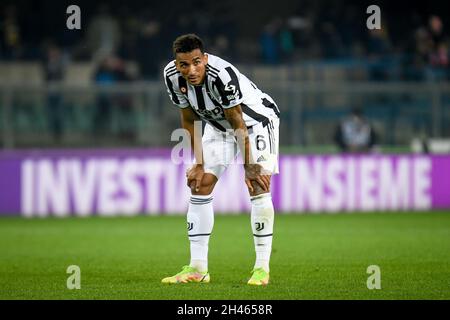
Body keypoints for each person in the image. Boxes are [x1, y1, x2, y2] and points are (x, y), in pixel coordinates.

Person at [161, 34, 280, 286]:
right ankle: (197, 268)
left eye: (196, 62)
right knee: (200, 182)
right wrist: (199, 163)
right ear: (176, 63)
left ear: (204, 58)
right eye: (184, 65)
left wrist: (249, 166)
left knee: (259, 185)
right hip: (217, 127)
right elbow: (189, 118)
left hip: (255, 123)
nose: (191, 70)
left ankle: (261, 269)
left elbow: (237, 120)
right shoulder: (171, 76)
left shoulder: (221, 75)